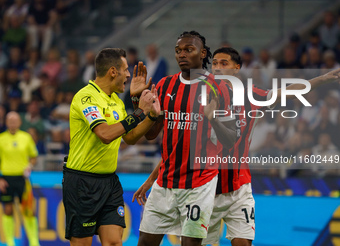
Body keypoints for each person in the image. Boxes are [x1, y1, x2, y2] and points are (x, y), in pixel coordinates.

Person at [134, 46, 340, 246]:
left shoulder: (250, 97)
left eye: (224, 63)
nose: (217, 68)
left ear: (237, 68)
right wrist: (152, 179)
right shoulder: (198, 98)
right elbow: (180, 149)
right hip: (205, 191)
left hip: (238, 189)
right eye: (214, 63)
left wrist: (323, 78)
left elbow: (288, 91)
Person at [131, 31, 235, 246]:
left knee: (189, 244)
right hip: (166, 182)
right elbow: (151, 134)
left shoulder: (220, 88)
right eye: (178, 51)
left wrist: (214, 119)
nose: (182, 55)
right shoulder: (164, 86)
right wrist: (137, 101)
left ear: (203, 53)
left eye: (189, 50)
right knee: (145, 242)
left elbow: (231, 141)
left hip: (199, 183)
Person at [62, 48, 160, 246]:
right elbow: (105, 134)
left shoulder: (116, 100)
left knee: (114, 242)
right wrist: (140, 112)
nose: (128, 75)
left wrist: (151, 116)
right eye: (125, 70)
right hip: (82, 182)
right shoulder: (86, 97)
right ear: (113, 71)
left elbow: (130, 137)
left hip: (109, 182)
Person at [0, 111, 40, 246]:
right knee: (8, 209)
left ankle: (34, 242)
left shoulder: (26, 137)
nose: (12, 123)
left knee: (29, 211)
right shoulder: (1, 139)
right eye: (9, 120)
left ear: (20, 122)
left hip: (23, 179)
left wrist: (30, 165)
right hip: (6, 178)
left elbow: (34, 156)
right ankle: (10, 242)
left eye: (15, 120)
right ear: (6, 122)